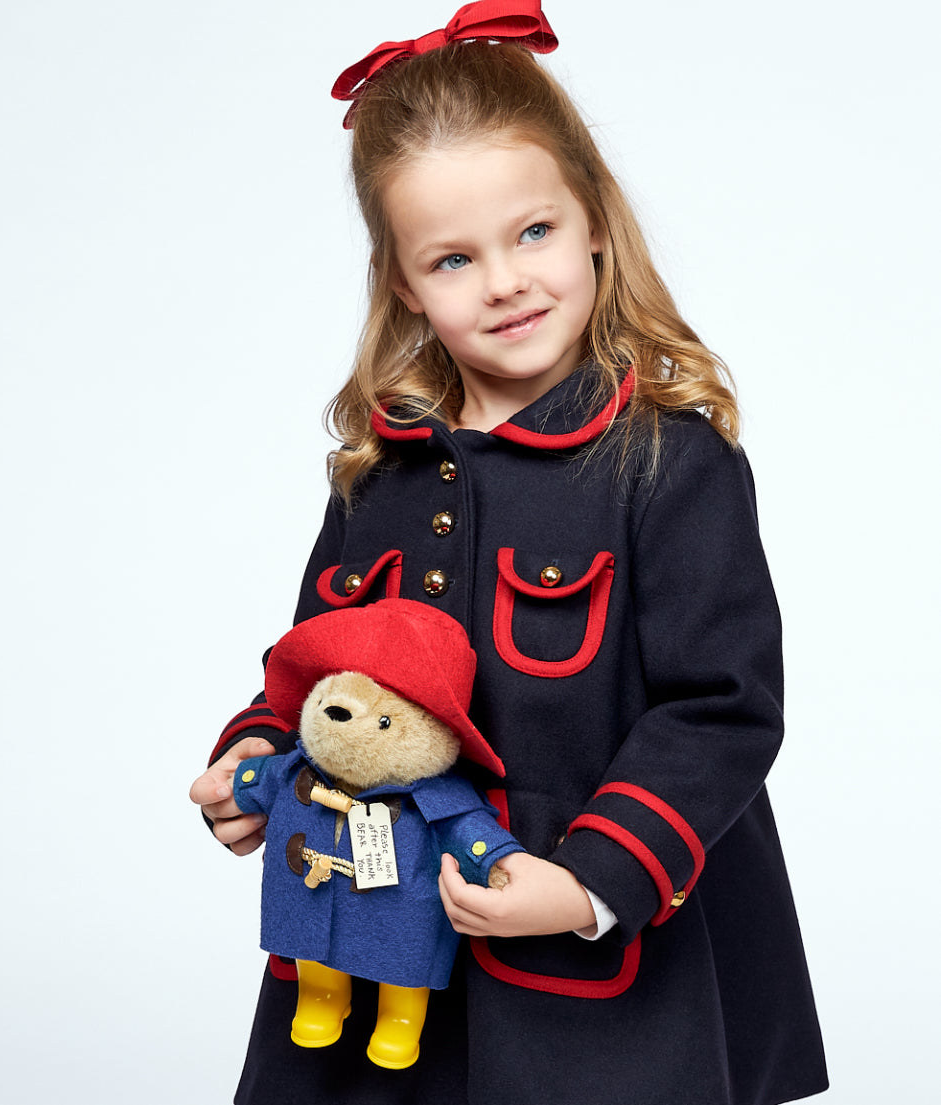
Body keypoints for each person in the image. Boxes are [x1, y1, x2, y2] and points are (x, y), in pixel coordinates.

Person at [188, 3, 828, 1102]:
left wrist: (589, 884)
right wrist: (251, 761)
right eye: (452, 257)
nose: (504, 281)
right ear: (403, 283)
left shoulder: (670, 462)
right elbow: (313, 669)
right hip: (379, 928)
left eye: (532, 232)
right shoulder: (379, 472)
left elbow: (719, 709)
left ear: (592, 219)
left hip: (601, 960)